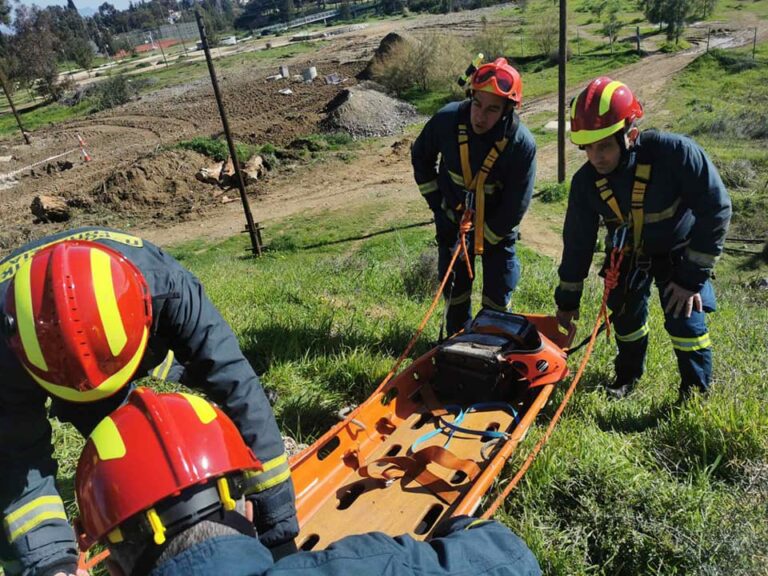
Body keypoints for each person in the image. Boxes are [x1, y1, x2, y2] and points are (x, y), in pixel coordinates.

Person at [0, 227, 297, 576]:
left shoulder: (166, 285)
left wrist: (277, 528)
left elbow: (235, 384)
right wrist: (49, 565)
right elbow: (15, 462)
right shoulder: (5, 352)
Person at [74, 388, 543, 576]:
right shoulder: (373, 565)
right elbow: (509, 558)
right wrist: (460, 531)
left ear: (113, 570)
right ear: (248, 509)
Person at [555, 77, 731, 400]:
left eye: (604, 145)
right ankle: (627, 377)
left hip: (680, 254)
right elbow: (577, 244)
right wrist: (567, 301)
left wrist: (692, 278)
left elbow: (716, 208)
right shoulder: (585, 184)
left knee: (686, 324)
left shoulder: (675, 154)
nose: (596, 158)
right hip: (628, 254)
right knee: (625, 319)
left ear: (630, 134)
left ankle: (695, 394)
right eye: (588, 148)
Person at [411, 57, 536, 336]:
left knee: (497, 293)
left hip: (496, 228)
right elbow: (421, 158)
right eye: (477, 104)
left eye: (492, 109)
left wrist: (484, 237)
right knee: (454, 287)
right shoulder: (446, 120)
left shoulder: (520, 145)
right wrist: (439, 206)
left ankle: (490, 345)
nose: (480, 116)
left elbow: (517, 204)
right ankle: (455, 339)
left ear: (507, 111)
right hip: (453, 219)